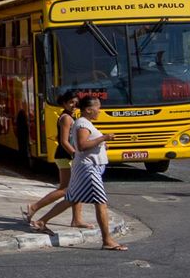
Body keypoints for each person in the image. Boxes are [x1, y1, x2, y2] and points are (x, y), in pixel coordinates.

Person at [30, 96, 126, 251]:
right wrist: (104, 137)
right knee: (101, 202)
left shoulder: (86, 123)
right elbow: (82, 145)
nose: (100, 111)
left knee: (71, 198)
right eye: (98, 108)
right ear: (88, 110)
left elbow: (87, 143)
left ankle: (41, 221)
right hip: (88, 168)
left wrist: (101, 144)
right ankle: (107, 240)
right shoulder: (82, 123)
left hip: (87, 167)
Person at [23, 91, 86, 230]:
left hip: (67, 156)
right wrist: (75, 154)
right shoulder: (66, 118)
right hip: (65, 156)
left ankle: (77, 219)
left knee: (76, 188)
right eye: (71, 102)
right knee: (65, 189)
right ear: (64, 103)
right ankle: (34, 207)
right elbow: (63, 141)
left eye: (76, 102)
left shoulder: (70, 116)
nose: (74, 105)